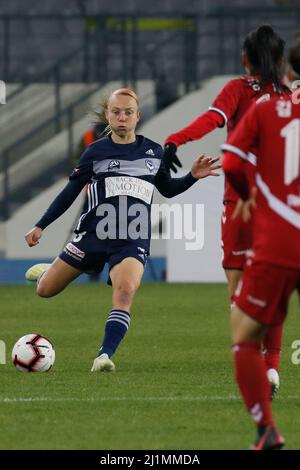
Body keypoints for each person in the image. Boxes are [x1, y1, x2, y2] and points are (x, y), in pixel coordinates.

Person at [24, 88, 220, 373]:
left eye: (128, 112)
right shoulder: (95, 151)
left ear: (138, 116)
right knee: (45, 291)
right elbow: (69, 192)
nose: (122, 117)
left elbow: (167, 188)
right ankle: (47, 272)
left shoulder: (154, 152)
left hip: (131, 241)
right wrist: (41, 225)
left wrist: (191, 177)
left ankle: (104, 355)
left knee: (125, 291)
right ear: (108, 115)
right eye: (116, 112)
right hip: (92, 237)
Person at [163, 25, 291, 396]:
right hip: (281, 202)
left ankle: (255, 361)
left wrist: (174, 141)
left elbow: (211, 120)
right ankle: (271, 367)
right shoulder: (289, 97)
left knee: (238, 287)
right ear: (281, 60)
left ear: (244, 58)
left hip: (241, 200)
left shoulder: (236, 89)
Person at [221, 95, 300, 450]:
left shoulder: (268, 109)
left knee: (245, 332)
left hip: (281, 238)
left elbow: (232, 162)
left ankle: (267, 429)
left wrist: (248, 193)